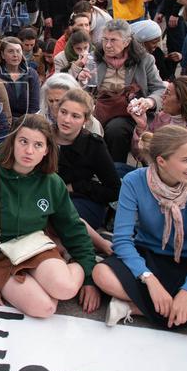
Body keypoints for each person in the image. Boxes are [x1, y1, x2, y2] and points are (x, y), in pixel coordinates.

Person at [93, 125, 187, 330]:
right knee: (101, 274)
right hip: (149, 255)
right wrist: (149, 279)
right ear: (161, 161)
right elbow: (122, 240)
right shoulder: (134, 181)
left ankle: (133, 308)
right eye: (186, 160)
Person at [0, 115, 98, 317]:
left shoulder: (52, 181)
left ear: (47, 150)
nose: (29, 151)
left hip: (35, 246)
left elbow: (72, 227)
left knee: (66, 289)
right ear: (12, 141)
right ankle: (41, 281)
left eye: (38, 145)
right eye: (23, 141)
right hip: (0, 254)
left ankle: (69, 266)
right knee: (45, 308)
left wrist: (89, 277)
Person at [54, 88, 121, 251]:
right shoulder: (43, 136)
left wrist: (77, 186)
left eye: (75, 116)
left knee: (62, 217)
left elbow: (114, 190)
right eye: (63, 112)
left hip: (81, 201)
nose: (67, 120)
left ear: (85, 120)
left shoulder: (93, 145)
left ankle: (93, 246)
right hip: (45, 196)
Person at [92, 19, 166, 163]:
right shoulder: (95, 58)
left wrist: (149, 101)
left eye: (113, 40)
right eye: (105, 39)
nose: (107, 45)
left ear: (126, 42)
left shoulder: (144, 60)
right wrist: (79, 75)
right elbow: (82, 88)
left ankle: (116, 169)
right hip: (99, 109)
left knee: (116, 129)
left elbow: (159, 88)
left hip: (129, 112)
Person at [130, 76, 187, 165]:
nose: (162, 96)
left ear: (182, 100)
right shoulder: (162, 117)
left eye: (167, 92)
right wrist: (141, 126)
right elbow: (140, 156)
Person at [0, 36, 40, 121]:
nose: (15, 55)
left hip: (26, 121)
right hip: (1, 121)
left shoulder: (32, 74)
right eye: (11, 51)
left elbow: (34, 107)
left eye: (18, 51)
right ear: (2, 55)